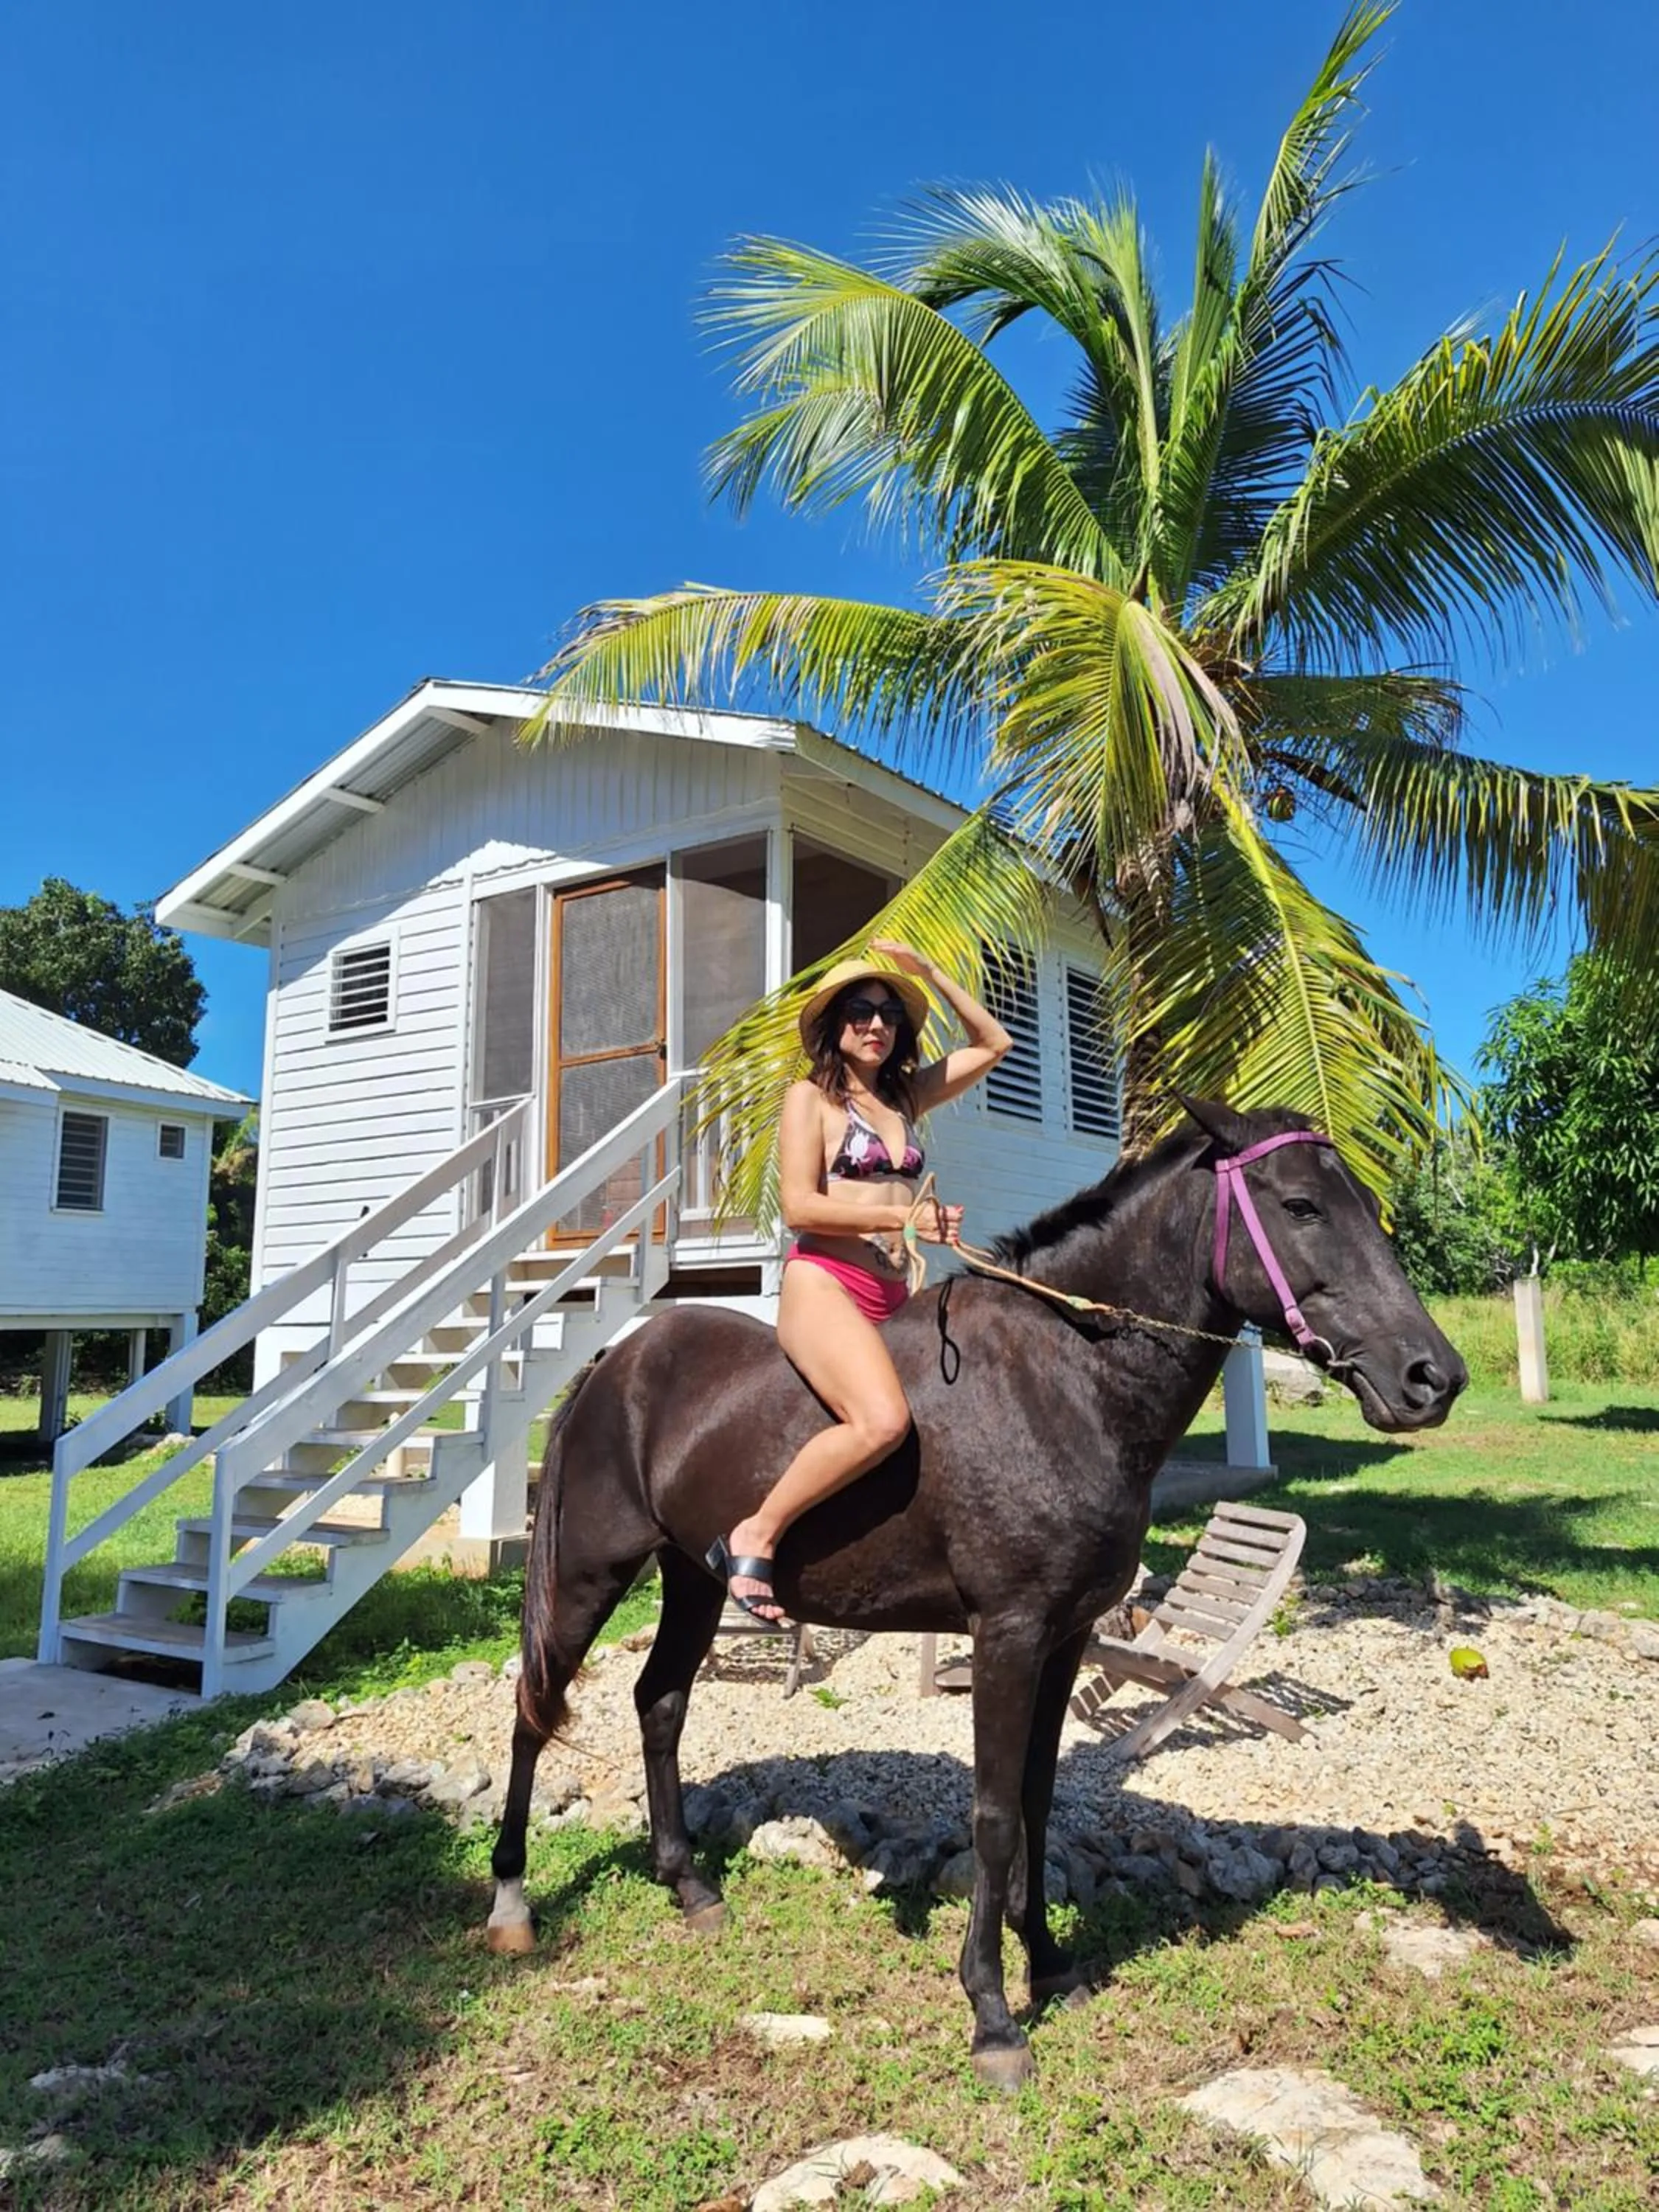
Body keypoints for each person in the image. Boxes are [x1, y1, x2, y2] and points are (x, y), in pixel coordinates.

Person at [706, 939, 1012, 1621]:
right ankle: (756, 1532)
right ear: (833, 1025)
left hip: (893, 1293)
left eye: (889, 1014)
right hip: (827, 1285)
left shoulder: (905, 1098)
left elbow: (993, 1044)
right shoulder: (809, 1101)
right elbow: (797, 1207)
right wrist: (908, 1215)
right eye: (859, 1011)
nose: (876, 1024)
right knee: (881, 1422)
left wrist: (929, 973)